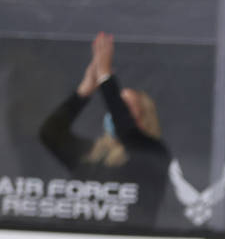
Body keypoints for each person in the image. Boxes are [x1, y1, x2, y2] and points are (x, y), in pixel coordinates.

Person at [38, 31, 171, 228]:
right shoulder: (93, 155)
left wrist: (105, 77)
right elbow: (50, 133)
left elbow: (128, 132)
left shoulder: (153, 153)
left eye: (124, 106)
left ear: (143, 117)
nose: (114, 110)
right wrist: (84, 92)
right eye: (116, 105)